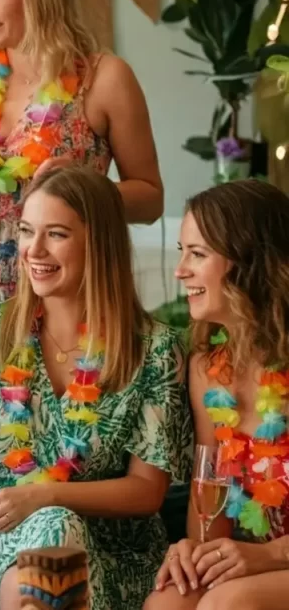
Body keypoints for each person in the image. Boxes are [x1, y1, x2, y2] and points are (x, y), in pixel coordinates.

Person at [0, 167, 190, 609]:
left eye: (57, 234)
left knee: (54, 526)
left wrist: (46, 496)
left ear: (98, 243)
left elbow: (146, 492)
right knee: (49, 541)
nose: (34, 249)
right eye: (27, 231)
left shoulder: (154, 348)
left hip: (114, 553)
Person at [0, 0, 164, 404]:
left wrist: (85, 190)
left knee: (65, 438)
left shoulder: (105, 78)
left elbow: (151, 197)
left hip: (69, 293)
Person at [144, 180, 289, 610]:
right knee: (168, 601)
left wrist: (266, 555)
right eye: (181, 251)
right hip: (260, 560)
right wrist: (194, 551)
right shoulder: (209, 369)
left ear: (249, 261)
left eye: (198, 254)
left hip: (274, 559)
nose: (180, 270)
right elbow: (209, 494)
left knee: (228, 603)